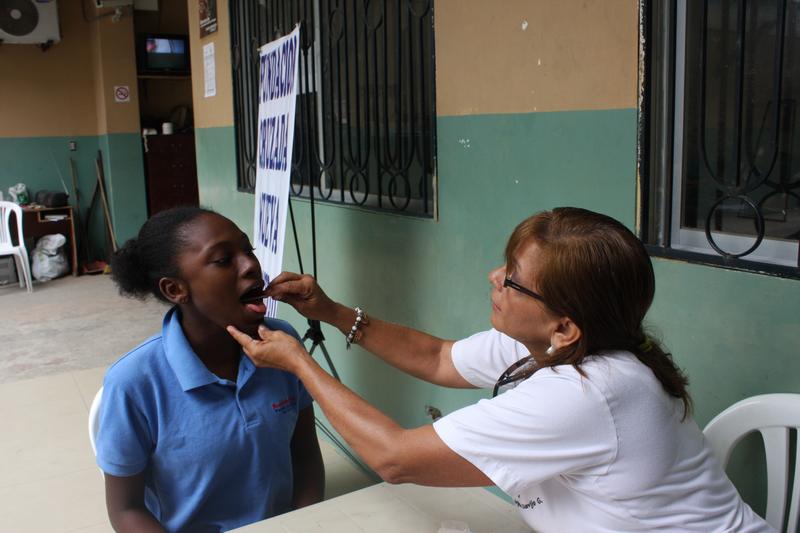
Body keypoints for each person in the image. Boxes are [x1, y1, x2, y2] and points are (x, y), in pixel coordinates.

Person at [228, 207, 772, 532]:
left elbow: (394, 458)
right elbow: (438, 358)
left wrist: (299, 362)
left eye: (512, 278)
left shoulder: (589, 392)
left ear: (564, 326)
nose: (493, 277)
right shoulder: (555, 345)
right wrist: (331, 311)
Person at [96, 207, 324, 533]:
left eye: (248, 251)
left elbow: (305, 458)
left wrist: (304, 523)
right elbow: (126, 509)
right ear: (175, 289)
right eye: (223, 260)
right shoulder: (133, 381)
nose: (251, 266)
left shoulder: (282, 342)